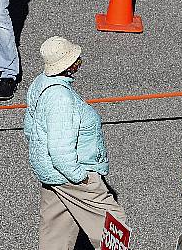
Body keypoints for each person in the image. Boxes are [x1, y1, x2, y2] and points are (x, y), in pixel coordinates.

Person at [23, 36, 127, 249]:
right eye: (75, 57)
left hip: (51, 174)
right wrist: (81, 178)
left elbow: (29, 127)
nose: (79, 59)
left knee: (56, 235)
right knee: (114, 230)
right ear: (69, 65)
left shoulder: (40, 82)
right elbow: (60, 150)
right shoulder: (61, 99)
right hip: (71, 174)